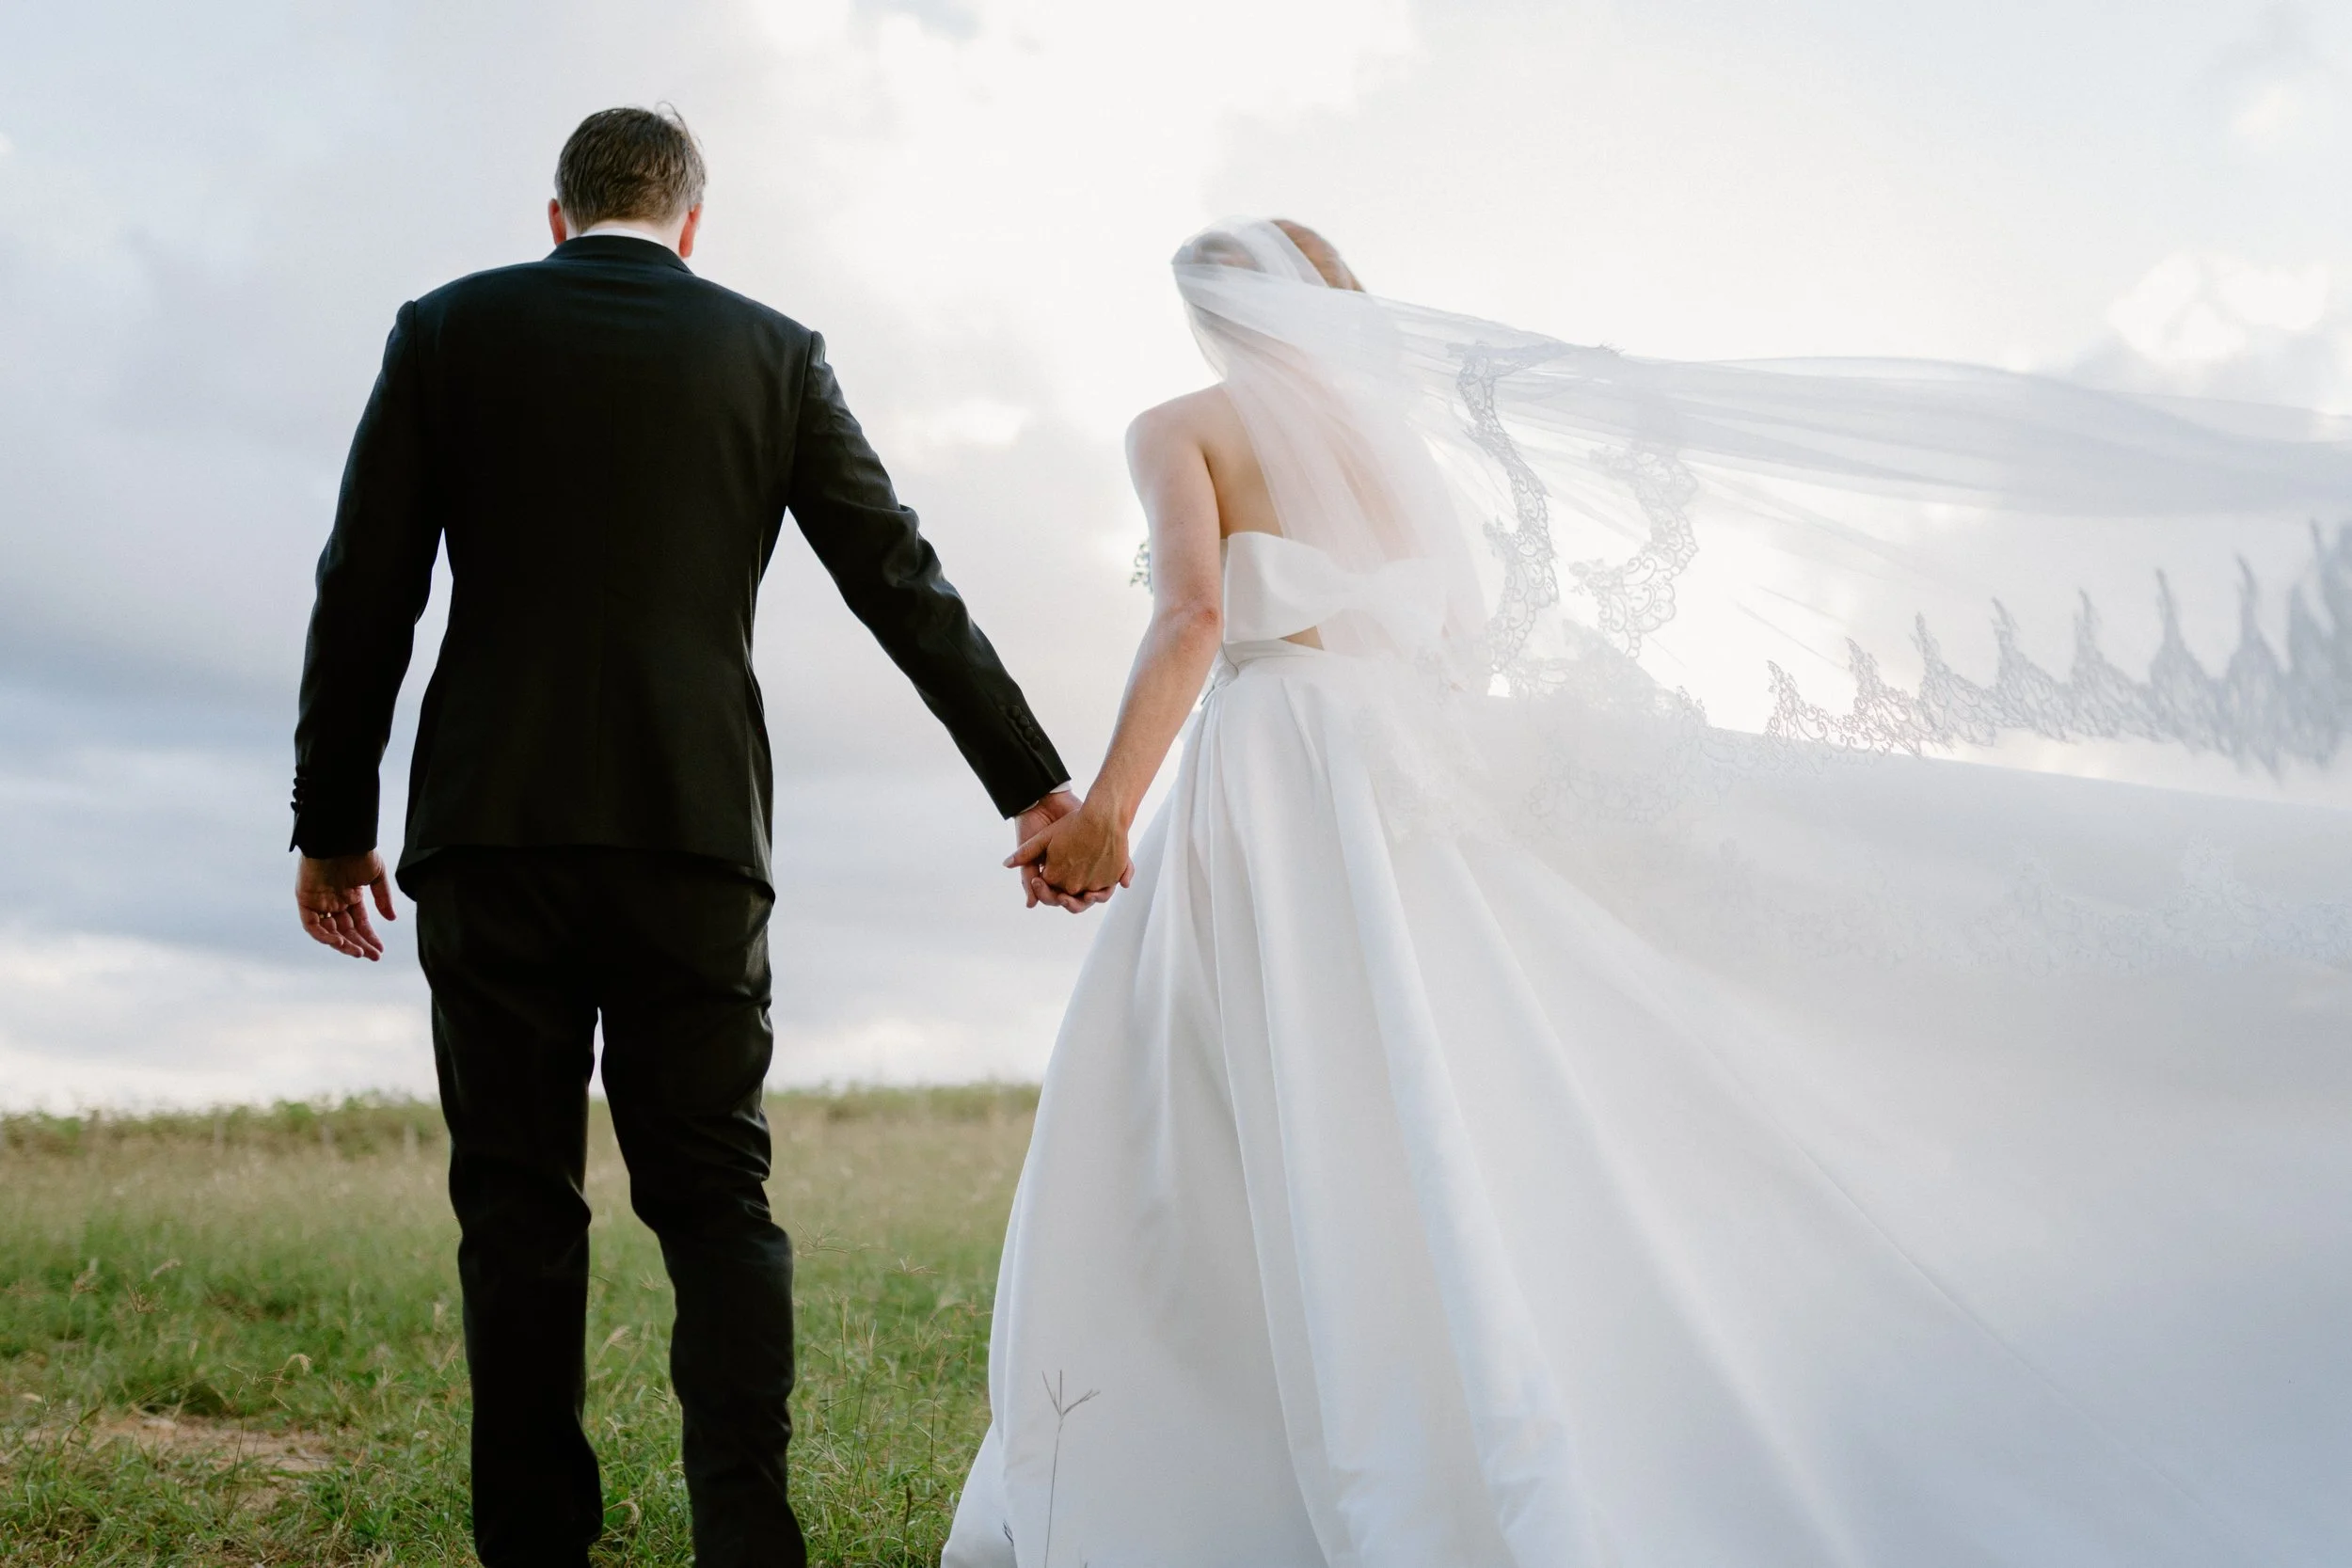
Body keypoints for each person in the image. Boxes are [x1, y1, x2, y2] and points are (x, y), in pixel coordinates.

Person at [961, 218, 2352, 1565]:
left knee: (1228, 1092)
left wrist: (1110, 814)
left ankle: (1218, 1449)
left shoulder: (1182, 426)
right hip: (1404, 767)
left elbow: (1196, 614)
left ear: (1213, 317)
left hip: (1276, 770)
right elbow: (1453, 631)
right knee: (1426, 1091)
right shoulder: (1404, 460)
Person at [290, 106, 1096, 1568]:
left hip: (493, 831)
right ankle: (746, 1539)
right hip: (693, 835)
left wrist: (332, 822)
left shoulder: (445, 331)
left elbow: (367, 589)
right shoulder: (771, 353)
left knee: (516, 1202)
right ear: (691, 222)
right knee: (720, 1199)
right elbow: (898, 580)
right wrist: (1033, 786)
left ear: (555, 216)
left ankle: (534, 1547)